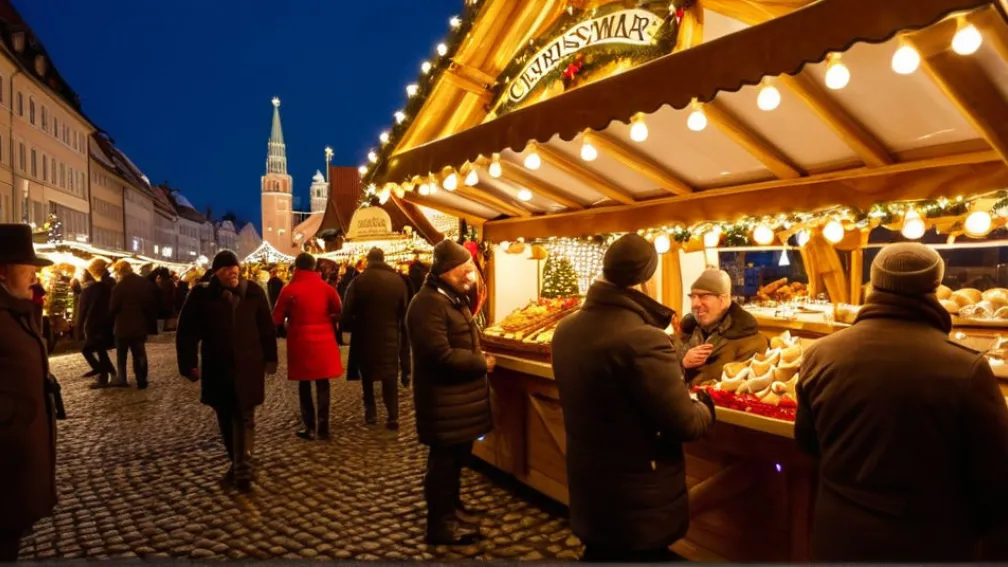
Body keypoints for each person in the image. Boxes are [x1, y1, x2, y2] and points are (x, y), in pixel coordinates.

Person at [795, 243, 1008, 562]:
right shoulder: (966, 368)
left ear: (875, 283)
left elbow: (808, 443)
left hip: (837, 537)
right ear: (934, 287)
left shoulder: (819, 354)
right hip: (926, 544)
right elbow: (996, 477)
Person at [551, 233, 715, 562]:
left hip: (590, 482)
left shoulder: (565, 329)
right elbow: (684, 422)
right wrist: (706, 405)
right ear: (644, 278)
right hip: (636, 495)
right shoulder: (643, 339)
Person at [406, 239, 493, 545]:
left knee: (456, 460)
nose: (471, 273)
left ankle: (453, 509)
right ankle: (440, 525)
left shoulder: (451, 298)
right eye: (465, 268)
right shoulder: (428, 304)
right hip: (443, 402)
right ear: (448, 270)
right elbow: (438, 355)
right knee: (443, 464)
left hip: (457, 402)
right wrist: (480, 362)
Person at [176, 250, 278, 493]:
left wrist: (271, 358)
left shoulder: (253, 292)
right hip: (217, 364)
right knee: (225, 414)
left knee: (245, 415)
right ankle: (237, 461)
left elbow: (266, 327)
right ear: (217, 272)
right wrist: (188, 363)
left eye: (235, 267)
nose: (233, 272)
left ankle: (242, 466)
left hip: (249, 363)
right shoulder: (200, 295)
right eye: (227, 269)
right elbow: (187, 332)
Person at [0, 224, 57, 561]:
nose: (36, 276)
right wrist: (11, 414)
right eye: (29, 269)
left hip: (17, 456)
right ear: (3, 270)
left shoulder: (16, 309)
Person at [272, 253, 343, 440]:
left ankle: (309, 426)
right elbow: (338, 310)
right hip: (324, 341)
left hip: (300, 341)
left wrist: (288, 321)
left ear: (297, 267)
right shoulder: (326, 289)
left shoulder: (289, 290)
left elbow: (276, 318)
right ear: (314, 268)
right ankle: (324, 426)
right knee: (323, 383)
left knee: (304, 384)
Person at [343, 248, 410, 429]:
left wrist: (349, 323)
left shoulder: (358, 282)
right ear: (383, 259)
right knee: (390, 376)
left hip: (365, 336)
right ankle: (392, 415)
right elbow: (405, 314)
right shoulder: (398, 282)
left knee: (367, 377)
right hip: (390, 337)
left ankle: (371, 412)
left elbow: (346, 312)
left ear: (368, 261)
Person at [677, 268, 768, 386]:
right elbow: (663, 369)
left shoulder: (750, 341)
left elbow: (739, 386)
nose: (695, 304)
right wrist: (684, 363)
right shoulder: (686, 332)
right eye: (692, 297)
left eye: (703, 296)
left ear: (723, 300)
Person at [109, 260, 158, 389]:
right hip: (139, 325)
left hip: (122, 326)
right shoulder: (143, 283)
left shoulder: (118, 287)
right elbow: (150, 304)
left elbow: (113, 308)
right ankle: (142, 379)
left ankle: (122, 378)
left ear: (119, 271)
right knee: (139, 353)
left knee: (122, 355)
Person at [77, 258, 117, 389]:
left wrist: (78, 329)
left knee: (88, 349)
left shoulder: (90, 289)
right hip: (106, 324)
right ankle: (107, 374)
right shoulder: (107, 285)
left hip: (95, 325)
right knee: (100, 350)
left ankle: (102, 372)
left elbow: (82, 311)